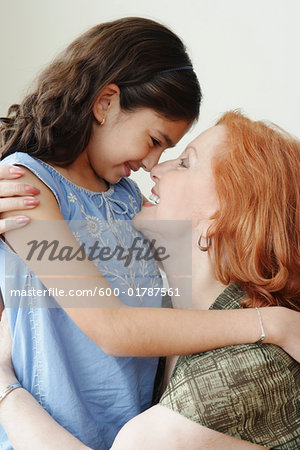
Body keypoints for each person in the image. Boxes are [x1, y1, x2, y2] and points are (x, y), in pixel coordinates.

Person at [0, 111, 299, 449]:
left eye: (185, 162)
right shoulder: (168, 314)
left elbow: (114, 328)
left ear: (222, 215)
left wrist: (4, 386)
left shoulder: (239, 375)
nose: (155, 168)